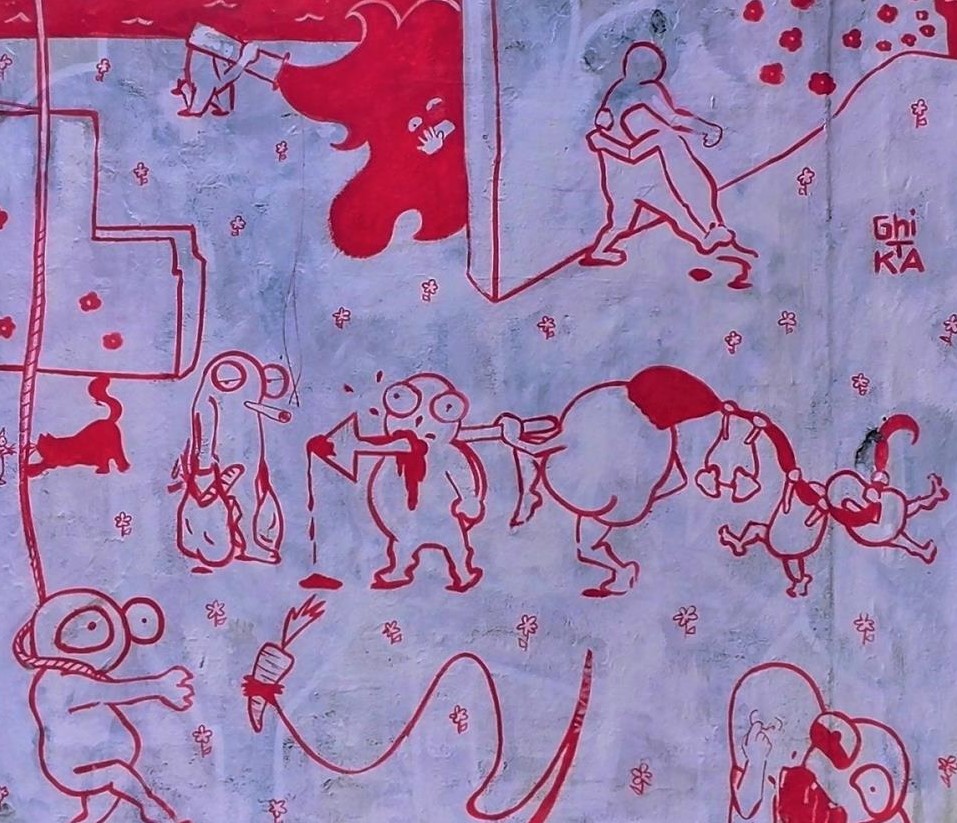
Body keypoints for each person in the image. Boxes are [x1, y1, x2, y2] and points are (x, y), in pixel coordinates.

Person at [583, 42, 741, 266]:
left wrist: (705, 128)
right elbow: (627, 149)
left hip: (644, 166)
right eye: (649, 69)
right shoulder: (618, 103)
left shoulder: (646, 94)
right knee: (622, 222)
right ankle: (601, 250)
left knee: (681, 192)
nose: (653, 76)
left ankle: (712, 227)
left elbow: (673, 118)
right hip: (626, 174)